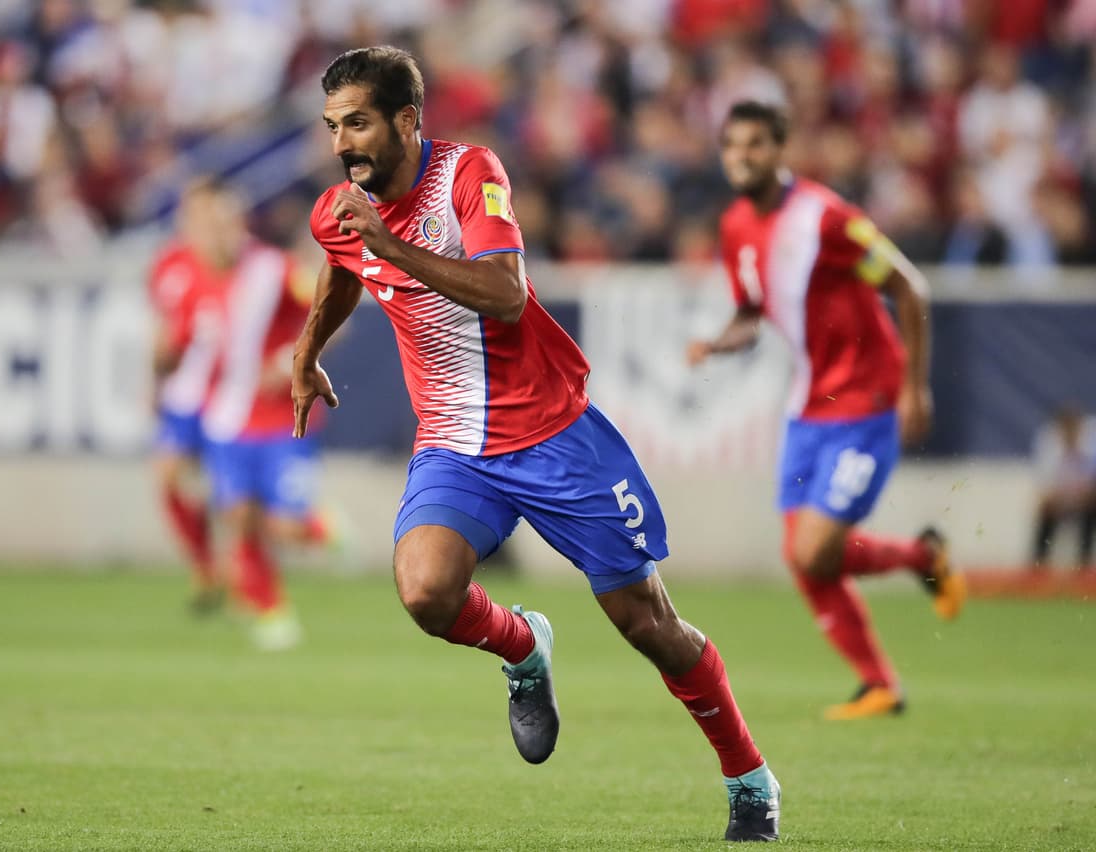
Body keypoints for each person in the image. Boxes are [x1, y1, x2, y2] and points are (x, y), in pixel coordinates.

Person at [293, 47, 780, 842]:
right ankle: (525, 649)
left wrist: (390, 246)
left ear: (407, 121)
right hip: (455, 441)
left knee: (645, 621)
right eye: (333, 127)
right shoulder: (344, 209)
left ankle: (749, 777)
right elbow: (342, 262)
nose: (343, 142)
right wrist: (307, 351)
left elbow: (506, 293)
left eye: (358, 123)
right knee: (424, 591)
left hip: (551, 433)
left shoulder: (466, 175)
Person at [687, 100, 967, 721]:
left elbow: (908, 286)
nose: (741, 156)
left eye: (755, 144)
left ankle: (924, 560)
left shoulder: (825, 218)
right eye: (732, 145)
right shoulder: (736, 225)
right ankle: (882, 679)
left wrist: (914, 388)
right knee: (807, 560)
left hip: (866, 400)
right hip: (807, 407)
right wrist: (717, 342)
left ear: (780, 149)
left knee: (816, 553)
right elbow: (752, 312)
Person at [198, 188, 323, 650]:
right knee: (240, 518)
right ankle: (272, 611)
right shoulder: (191, 275)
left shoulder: (274, 270)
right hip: (224, 419)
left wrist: (299, 357)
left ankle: (321, 526)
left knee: (285, 526)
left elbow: (332, 307)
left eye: (222, 226)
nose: (214, 237)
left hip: (276, 419)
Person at [149, 180, 231, 614]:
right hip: (184, 395)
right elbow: (163, 329)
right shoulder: (169, 264)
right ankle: (205, 568)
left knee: (233, 495)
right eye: (190, 211)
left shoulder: (236, 263)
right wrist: (152, 383)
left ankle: (239, 570)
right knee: (168, 476)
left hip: (226, 396)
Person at [1030, 407, 1096, 570]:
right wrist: (1055, 500)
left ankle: (1083, 565)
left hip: (1086, 500)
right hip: (1060, 500)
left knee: (1091, 511)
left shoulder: (1092, 444)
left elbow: (1091, 486)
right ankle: (1038, 566)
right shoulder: (1048, 445)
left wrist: (1082, 498)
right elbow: (1045, 488)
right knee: (1044, 511)